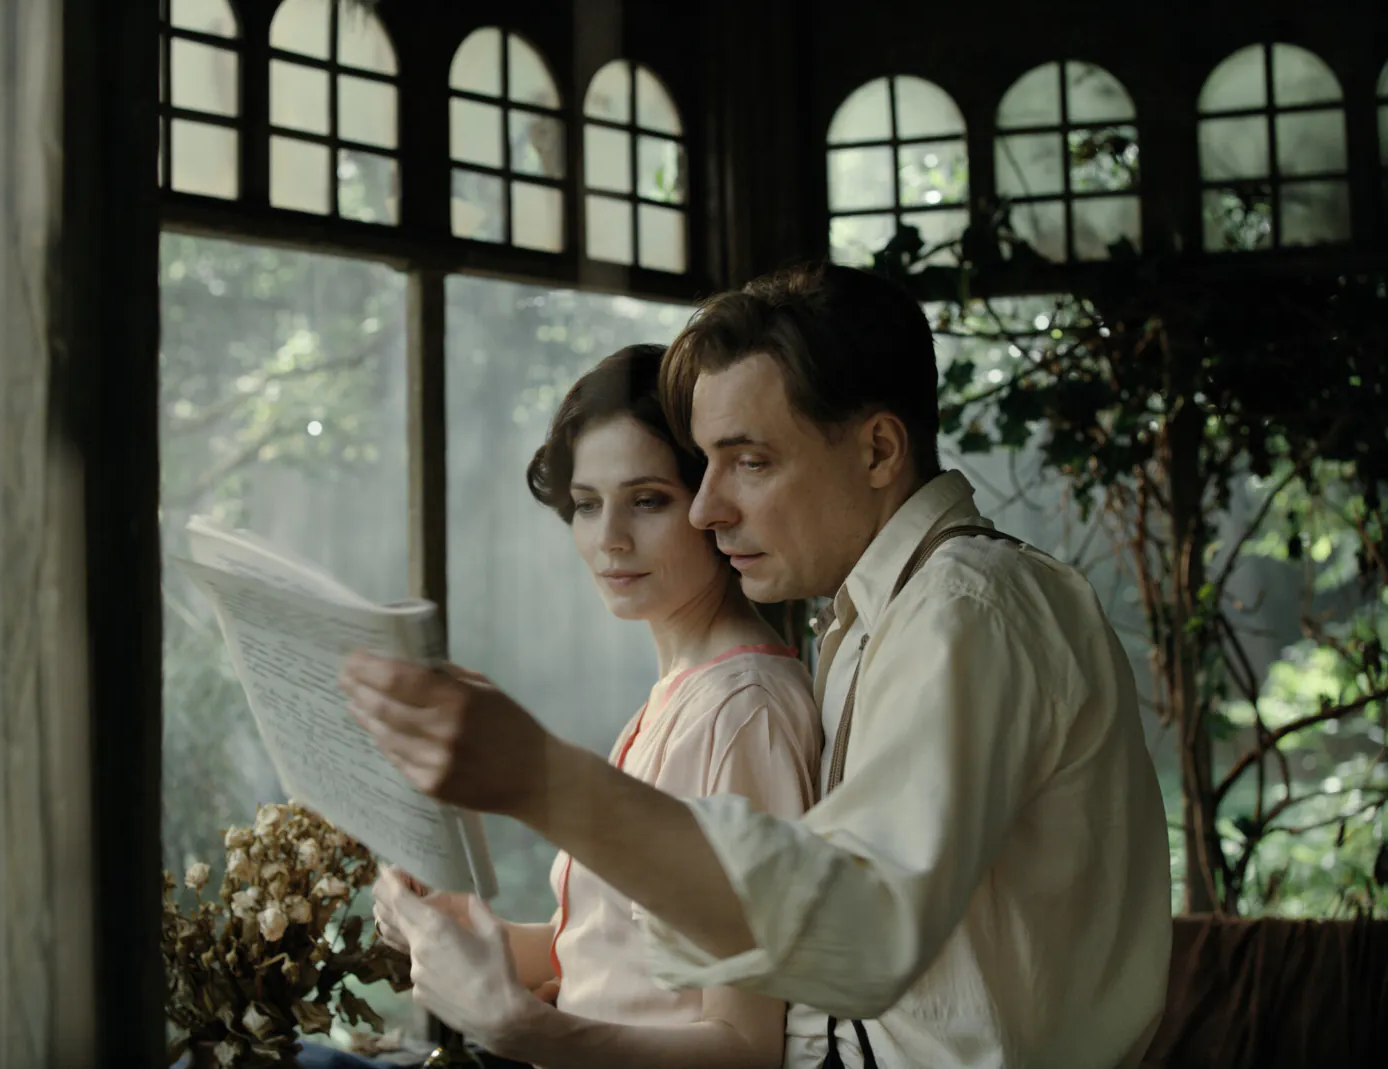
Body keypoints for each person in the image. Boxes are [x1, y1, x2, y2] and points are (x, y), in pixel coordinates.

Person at [341, 264, 1173, 1069]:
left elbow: (865, 928)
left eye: (749, 461)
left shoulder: (963, 611)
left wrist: (540, 780)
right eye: (705, 465)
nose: (708, 508)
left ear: (879, 450)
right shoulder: (877, 619)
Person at [346, 343, 821, 1069]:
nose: (609, 539)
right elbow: (614, 953)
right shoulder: (680, 694)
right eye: (587, 504)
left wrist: (532, 1032)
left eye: (648, 500)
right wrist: (456, 929)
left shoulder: (741, 711)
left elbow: (746, 1047)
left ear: (712, 501)